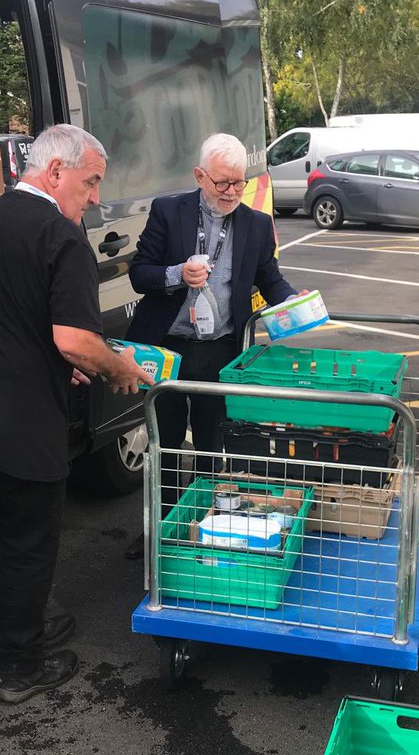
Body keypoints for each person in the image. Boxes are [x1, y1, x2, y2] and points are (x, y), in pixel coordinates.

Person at [0, 124, 151, 704]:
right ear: (56, 172)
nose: (96, 196)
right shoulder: (61, 236)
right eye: (91, 181)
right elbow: (76, 338)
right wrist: (116, 366)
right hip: (14, 418)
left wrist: (60, 361)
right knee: (28, 536)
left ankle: (4, 631)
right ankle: (19, 666)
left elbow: (5, 314)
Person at [122, 133, 303, 559]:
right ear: (200, 176)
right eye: (222, 183)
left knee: (209, 444)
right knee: (164, 444)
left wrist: (293, 302)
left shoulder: (256, 224)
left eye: (238, 183)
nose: (232, 193)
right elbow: (138, 274)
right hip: (168, 348)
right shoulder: (169, 211)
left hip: (221, 347)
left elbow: (269, 278)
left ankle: (202, 527)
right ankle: (159, 532)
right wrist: (175, 274)